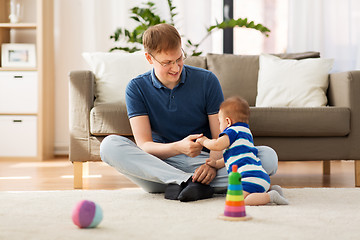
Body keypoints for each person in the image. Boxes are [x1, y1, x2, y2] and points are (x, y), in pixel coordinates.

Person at [100, 23, 279, 202]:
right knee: (109, 145)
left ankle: (179, 184)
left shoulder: (207, 81)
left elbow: (219, 137)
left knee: (268, 157)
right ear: (149, 58)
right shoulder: (136, 88)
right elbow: (145, 144)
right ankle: (186, 181)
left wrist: (212, 166)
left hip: (203, 161)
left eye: (179, 58)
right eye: (167, 62)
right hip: (161, 164)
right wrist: (178, 147)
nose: (176, 68)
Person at [196, 96, 289, 205]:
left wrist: (204, 141)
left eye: (220, 122)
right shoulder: (246, 132)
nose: (220, 125)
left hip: (248, 177)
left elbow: (217, 145)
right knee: (253, 191)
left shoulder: (231, 132)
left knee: (239, 200)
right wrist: (216, 164)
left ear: (228, 121)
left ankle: (270, 196)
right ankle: (272, 190)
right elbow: (233, 157)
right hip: (260, 175)